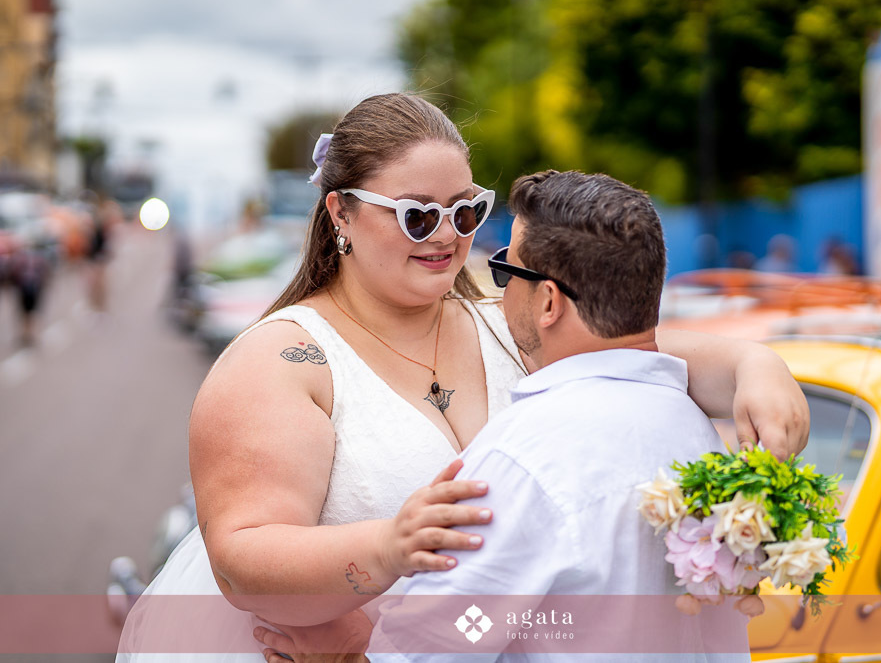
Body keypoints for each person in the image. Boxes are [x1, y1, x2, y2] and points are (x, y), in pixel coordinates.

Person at [117, 93, 808, 663]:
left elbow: (634, 351)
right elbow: (240, 560)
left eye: (466, 210)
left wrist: (758, 364)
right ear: (341, 213)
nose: (448, 235)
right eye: (418, 215)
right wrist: (388, 547)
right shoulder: (284, 359)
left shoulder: (509, 321)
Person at [356, 170, 750, 661]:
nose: (500, 292)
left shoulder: (525, 455)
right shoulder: (696, 430)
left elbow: (431, 648)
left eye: (506, 271)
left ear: (548, 302)